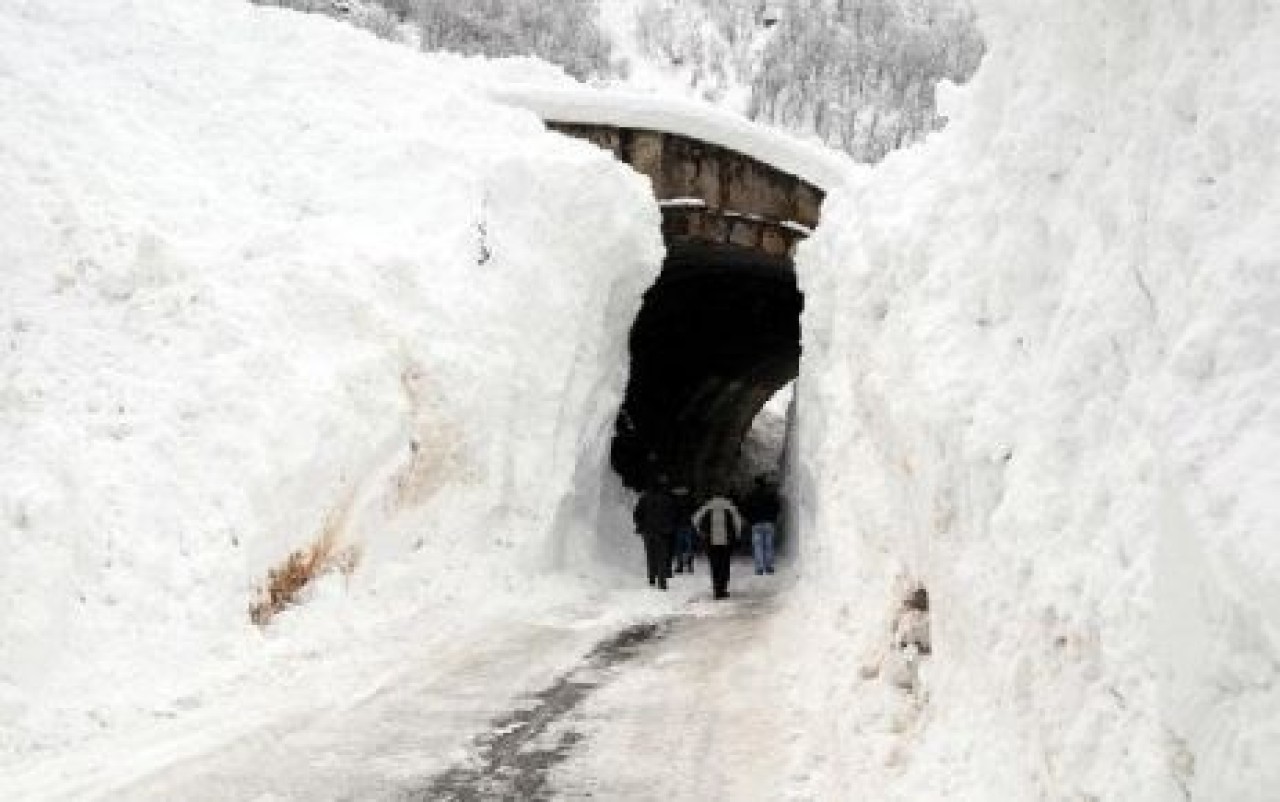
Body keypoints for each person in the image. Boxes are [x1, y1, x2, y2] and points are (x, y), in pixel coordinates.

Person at [632, 476, 681, 590]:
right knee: (662, 556)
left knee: (650, 555)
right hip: (663, 532)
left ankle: (652, 578)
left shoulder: (644, 498)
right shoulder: (667, 499)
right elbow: (674, 514)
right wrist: (670, 527)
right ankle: (662, 582)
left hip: (648, 532)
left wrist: (640, 525)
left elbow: (637, 513)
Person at [693, 493, 744, 599]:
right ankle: (723, 589)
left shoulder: (707, 506)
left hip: (710, 540)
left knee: (714, 565)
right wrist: (737, 535)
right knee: (724, 564)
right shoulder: (729, 505)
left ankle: (717, 590)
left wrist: (700, 532)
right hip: (726, 540)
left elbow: (695, 519)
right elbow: (738, 522)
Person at [742, 475, 780, 575]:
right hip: (769, 522)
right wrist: (773, 518)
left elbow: (746, 508)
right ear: (764, 483)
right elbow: (776, 507)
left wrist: (750, 520)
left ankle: (759, 568)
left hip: (756, 523)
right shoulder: (770, 494)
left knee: (757, 546)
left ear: (755, 483)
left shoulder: (751, 495)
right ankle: (769, 566)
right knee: (769, 545)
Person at [671, 485, 697, 574]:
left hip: (679, 526)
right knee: (689, 547)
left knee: (679, 547)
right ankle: (689, 565)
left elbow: (673, 514)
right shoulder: (691, 500)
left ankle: (680, 566)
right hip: (689, 525)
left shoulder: (674, 501)